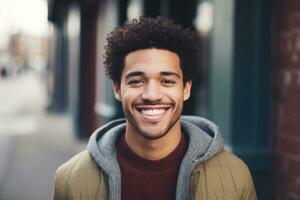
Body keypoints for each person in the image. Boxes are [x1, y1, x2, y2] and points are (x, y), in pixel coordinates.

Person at [52, 16, 257, 200]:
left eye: (167, 81)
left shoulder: (236, 177)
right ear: (117, 89)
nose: (152, 95)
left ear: (186, 89)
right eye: (137, 81)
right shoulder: (70, 180)